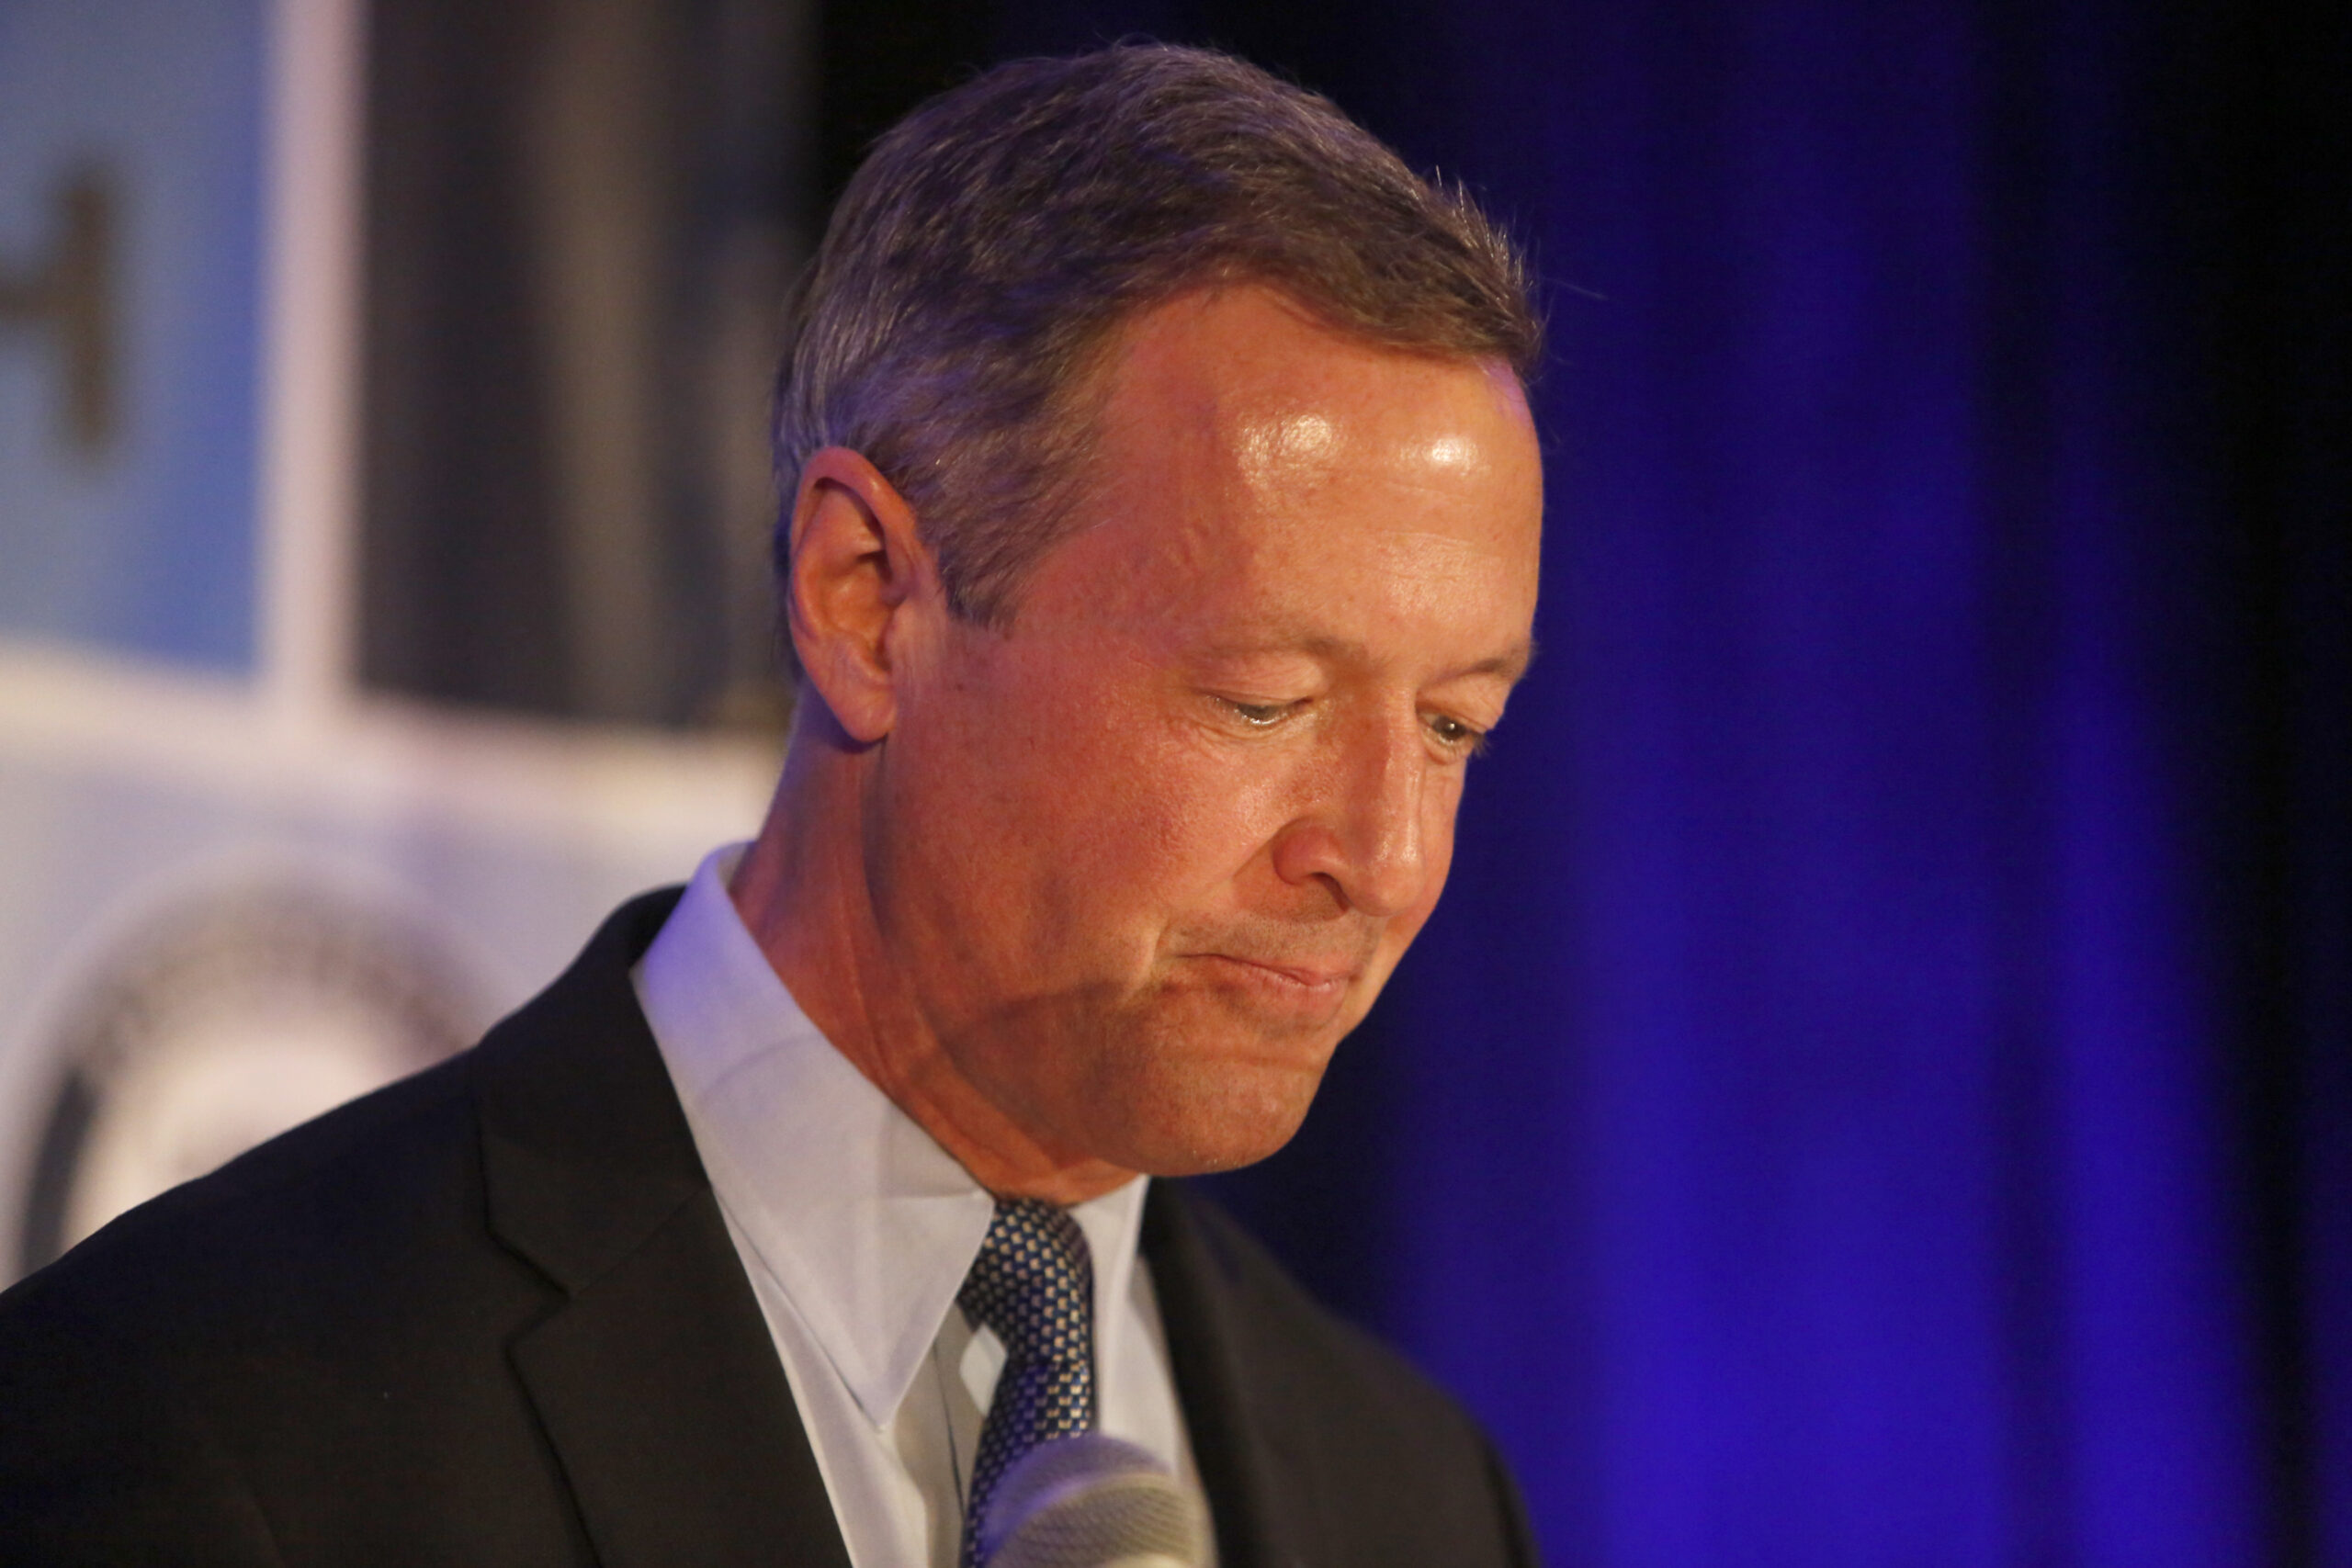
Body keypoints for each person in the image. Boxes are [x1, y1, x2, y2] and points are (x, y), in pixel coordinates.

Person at [0, 44, 1545, 1567]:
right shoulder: (209, 1413)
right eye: (1264, 700)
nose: (1384, 856)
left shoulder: (1417, 1497)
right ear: (865, 601)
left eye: (1454, 726)